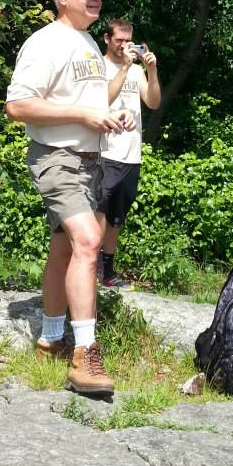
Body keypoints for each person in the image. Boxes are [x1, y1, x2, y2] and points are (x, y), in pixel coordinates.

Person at [5, 0, 134, 395]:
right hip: (57, 159)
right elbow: (18, 106)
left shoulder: (87, 43)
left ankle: (49, 340)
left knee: (64, 248)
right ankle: (84, 355)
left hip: (90, 161)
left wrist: (109, 116)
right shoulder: (45, 42)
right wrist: (83, 115)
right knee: (89, 242)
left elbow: (88, 103)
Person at [99, 18, 161, 288]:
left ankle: (107, 270)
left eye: (128, 41)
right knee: (98, 215)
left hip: (131, 155)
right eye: (119, 41)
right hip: (103, 152)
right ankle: (89, 267)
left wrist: (152, 71)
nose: (124, 46)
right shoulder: (99, 66)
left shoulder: (137, 70)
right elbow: (101, 100)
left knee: (116, 218)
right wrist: (124, 67)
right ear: (107, 39)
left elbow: (153, 102)